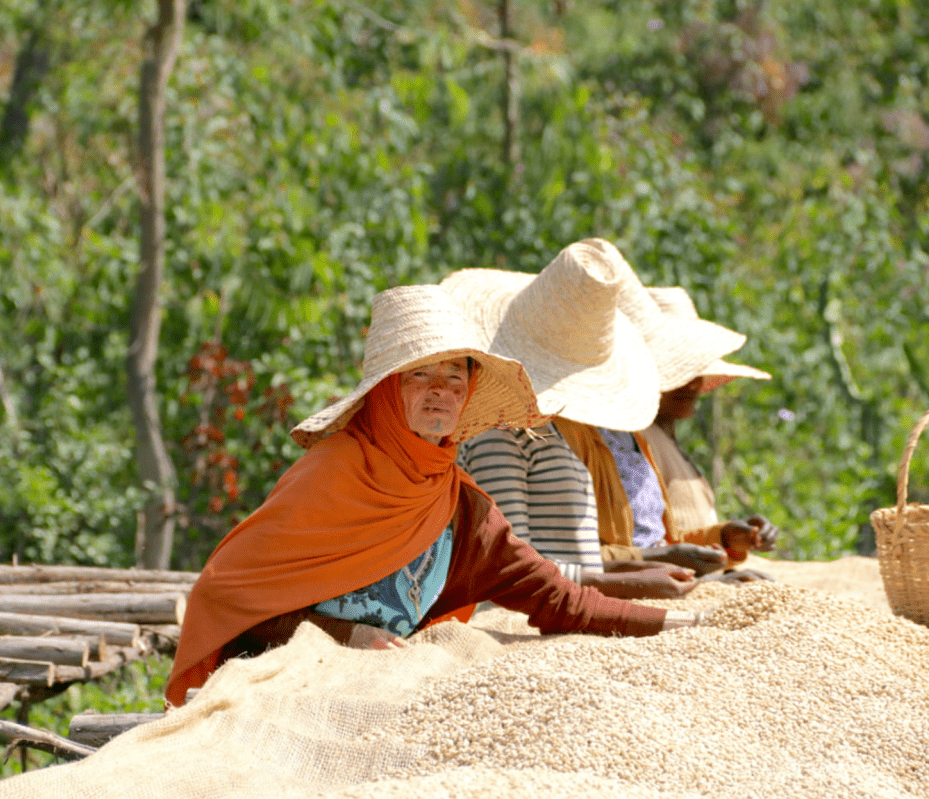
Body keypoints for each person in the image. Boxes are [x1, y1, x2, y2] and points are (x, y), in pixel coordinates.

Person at [165, 285, 700, 707]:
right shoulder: (332, 472)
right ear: (385, 391)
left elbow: (556, 597)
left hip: (374, 698)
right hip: (275, 691)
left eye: (454, 375)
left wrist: (683, 626)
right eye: (419, 375)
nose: (440, 390)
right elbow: (229, 597)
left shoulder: (463, 509)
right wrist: (340, 633)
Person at [442, 239, 697, 600]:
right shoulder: (497, 435)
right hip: (533, 612)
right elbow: (507, 563)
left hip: (565, 603)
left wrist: (637, 569)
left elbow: (564, 556)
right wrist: (623, 583)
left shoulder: (543, 430)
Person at [559, 266, 778, 576]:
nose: (690, 383)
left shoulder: (633, 435)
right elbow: (561, 559)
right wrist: (670, 561)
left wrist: (723, 538)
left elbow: (657, 539)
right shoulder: (568, 433)